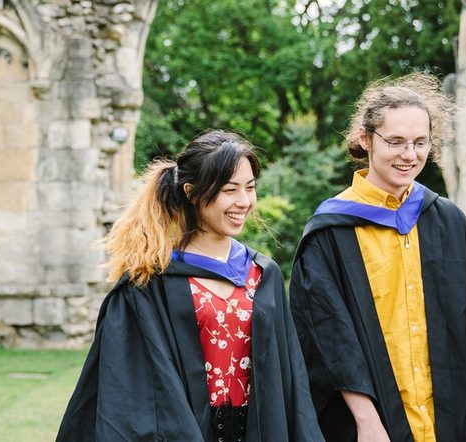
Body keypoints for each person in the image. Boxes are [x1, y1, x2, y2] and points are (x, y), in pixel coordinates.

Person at [57, 130, 322, 442]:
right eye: (229, 190)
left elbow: (290, 381)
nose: (244, 201)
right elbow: (133, 390)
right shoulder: (152, 280)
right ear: (192, 193)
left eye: (250, 188)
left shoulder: (263, 275)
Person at [289, 73, 466, 442]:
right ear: (365, 139)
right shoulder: (331, 232)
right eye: (395, 142)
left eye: (420, 142)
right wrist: (367, 422)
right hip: (375, 424)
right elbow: (329, 340)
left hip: (454, 418)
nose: (410, 155)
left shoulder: (448, 221)